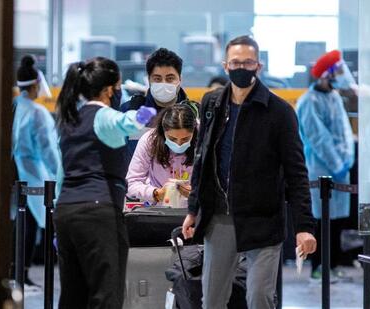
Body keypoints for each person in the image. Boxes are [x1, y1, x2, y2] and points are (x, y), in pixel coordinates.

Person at [181, 35, 317, 309]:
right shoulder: (211, 104)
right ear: (225, 65)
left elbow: (296, 173)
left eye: (247, 62)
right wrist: (193, 209)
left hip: (263, 219)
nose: (241, 67)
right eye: (235, 62)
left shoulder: (278, 112)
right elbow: (202, 159)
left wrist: (303, 227)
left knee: (259, 297)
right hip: (219, 216)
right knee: (212, 299)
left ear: (259, 66)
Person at [54, 57, 156, 309]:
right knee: (105, 294)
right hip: (97, 211)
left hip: (66, 212)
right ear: (110, 89)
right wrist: (147, 108)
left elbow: (61, 174)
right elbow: (127, 122)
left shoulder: (70, 119)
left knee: (72, 295)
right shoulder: (103, 116)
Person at [295, 50, 355, 282]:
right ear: (324, 75)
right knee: (320, 222)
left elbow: (344, 132)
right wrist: (336, 162)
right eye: (337, 71)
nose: (340, 75)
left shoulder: (334, 96)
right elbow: (318, 138)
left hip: (340, 167)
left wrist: (345, 159)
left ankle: (332, 264)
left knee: (337, 219)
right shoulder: (308, 101)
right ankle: (318, 267)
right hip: (320, 168)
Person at [12, 55, 60, 288]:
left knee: (21, 221)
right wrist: (60, 173)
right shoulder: (38, 112)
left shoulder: (13, 106)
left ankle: (17, 271)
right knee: (31, 222)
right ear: (34, 85)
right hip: (35, 172)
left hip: (16, 171)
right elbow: (48, 149)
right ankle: (23, 271)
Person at [126, 101, 199, 207]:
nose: (178, 144)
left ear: (194, 132)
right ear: (163, 132)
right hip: (158, 209)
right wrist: (156, 193)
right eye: (172, 138)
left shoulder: (204, 140)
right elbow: (132, 184)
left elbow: (218, 184)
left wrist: (197, 192)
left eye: (185, 139)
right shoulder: (149, 140)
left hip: (195, 210)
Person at [120, 48, 188, 158]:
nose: (163, 83)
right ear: (149, 80)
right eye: (157, 79)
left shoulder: (194, 116)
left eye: (170, 78)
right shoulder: (129, 112)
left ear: (180, 79)